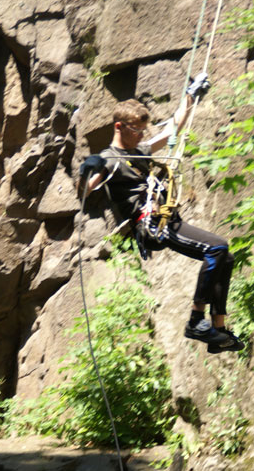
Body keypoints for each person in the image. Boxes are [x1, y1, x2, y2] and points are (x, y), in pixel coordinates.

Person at [79, 73, 244, 354]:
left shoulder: (139, 149)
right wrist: (87, 170)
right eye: (136, 130)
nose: (141, 136)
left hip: (167, 219)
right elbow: (87, 190)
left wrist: (191, 96)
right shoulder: (110, 158)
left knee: (225, 257)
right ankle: (195, 321)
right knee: (217, 247)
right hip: (151, 225)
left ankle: (218, 330)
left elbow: (173, 129)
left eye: (143, 131)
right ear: (119, 127)